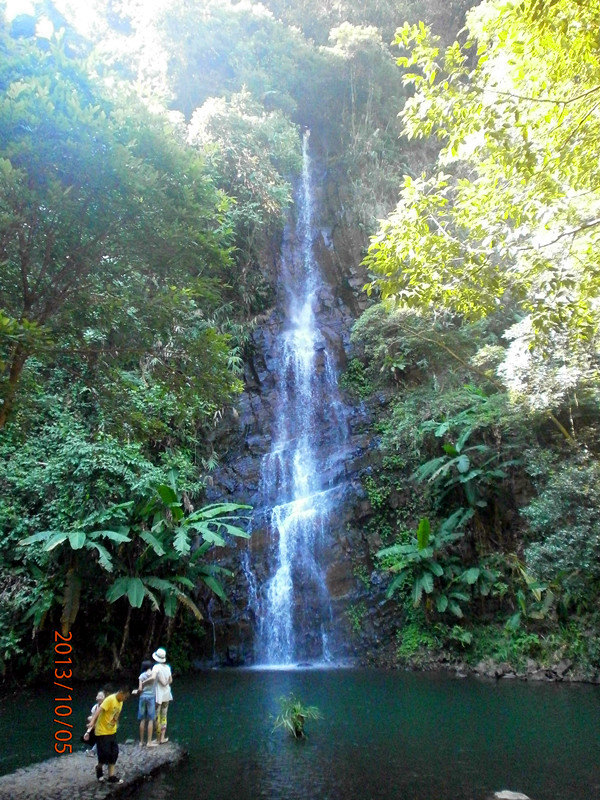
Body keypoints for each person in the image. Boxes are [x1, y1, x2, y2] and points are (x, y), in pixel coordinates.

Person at [84, 686, 130, 783]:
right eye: (125, 697)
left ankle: (111, 776)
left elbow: (116, 715)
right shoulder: (110, 699)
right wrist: (92, 722)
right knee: (104, 754)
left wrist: (115, 724)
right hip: (102, 731)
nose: (125, 699)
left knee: (114, 752)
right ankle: (99, 768)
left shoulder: (120, 702)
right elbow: (98, 710)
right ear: (121, 692)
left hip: (112, 731)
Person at [133, 659, 158, 747]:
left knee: (142, 719)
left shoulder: (141, 676)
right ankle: (149, 742)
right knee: (151, 719)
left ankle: (141, 742)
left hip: (143, 697)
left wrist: (136, 691)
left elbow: (140, 689)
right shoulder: (154, 674)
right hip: (151, 697)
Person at [151, 647, 173, 744]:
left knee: (157, 716)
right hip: (167, 693)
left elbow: (153, 678)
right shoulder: (168, 667)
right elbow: (170, 680)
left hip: (158, 694)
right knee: (164, 715)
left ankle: (158, 738)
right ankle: (163, 737)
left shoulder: (156, 667)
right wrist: (166, 682)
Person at [85, 689, 105, 757]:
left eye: (101, 696)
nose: (99, 697)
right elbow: (93, 720)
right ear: (96, 698)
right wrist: (87, 732)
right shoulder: (95, 707)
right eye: (98, 696)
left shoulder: (106, 707)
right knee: (90, 718)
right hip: (99, 725)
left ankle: (93, 751)